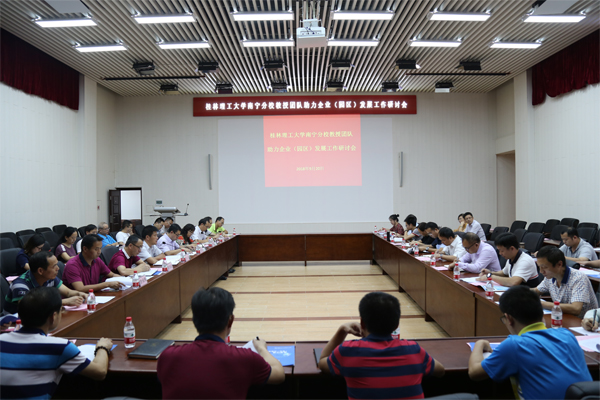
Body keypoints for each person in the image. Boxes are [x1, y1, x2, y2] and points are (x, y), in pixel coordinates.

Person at [157, 287, 285, 399]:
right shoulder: (244, 358)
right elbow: (279, 374)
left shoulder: (167, 356)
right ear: (230, 321)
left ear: (194, 320)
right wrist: (261, 348)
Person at [468, 285, 592, 400]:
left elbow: (474, 372)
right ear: (542, 314)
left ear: (509, 318)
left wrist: (480, 343)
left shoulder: (515, 345)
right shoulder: (567, 335)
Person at [318, 292, 445, 399]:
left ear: (362, 323)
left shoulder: (348, 351)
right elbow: (440, 371)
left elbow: (322, 362)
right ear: (396, 325)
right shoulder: (413, 350)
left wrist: (342, 330)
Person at [0, 287, 112, 399]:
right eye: (60, 310)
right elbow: (100, 372)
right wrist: (102, 347)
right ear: (53, 317)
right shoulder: (59, 347)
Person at [4, 251, 89, 314]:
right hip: (14, 324)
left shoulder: (49, 277)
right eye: (54, 266)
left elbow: (68, 292)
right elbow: (29, 308)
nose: (58, 268)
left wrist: (79, 294)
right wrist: (63, 302)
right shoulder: (20, 285)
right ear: (40, 271)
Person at [532, 246, 598, 318]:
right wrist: (523, 293)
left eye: (544, 267)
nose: (541, 271)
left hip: (583, 322)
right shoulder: (550, 276)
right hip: (562, 318)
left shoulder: (579, 278)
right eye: (539, 267)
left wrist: (540, 303)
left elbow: (576, 309)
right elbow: (537, 290)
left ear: (559, 264)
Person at [477, 233, 542, 288]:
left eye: (502, 251)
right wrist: (490, 273)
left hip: (527, 296)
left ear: (512, 248)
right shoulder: (512, 257)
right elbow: (504, 273)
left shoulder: (525, 261)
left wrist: (490, 276)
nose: (500, 253)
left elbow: (513, 282)